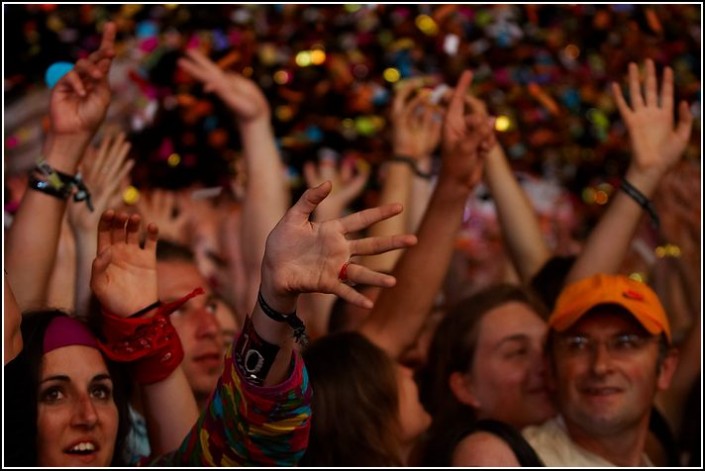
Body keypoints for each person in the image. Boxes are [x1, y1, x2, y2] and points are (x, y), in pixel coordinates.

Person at [456, 274, 678, 467]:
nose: (600, 366)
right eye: (578, 345)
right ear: (550, 369)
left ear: (666, 368)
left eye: (625, 343)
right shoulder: (516, 460)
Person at [418, 284, 554, 466]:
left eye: (548, 347)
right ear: (465, 387)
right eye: (517, 352)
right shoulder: (476, 456)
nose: (544, 364)